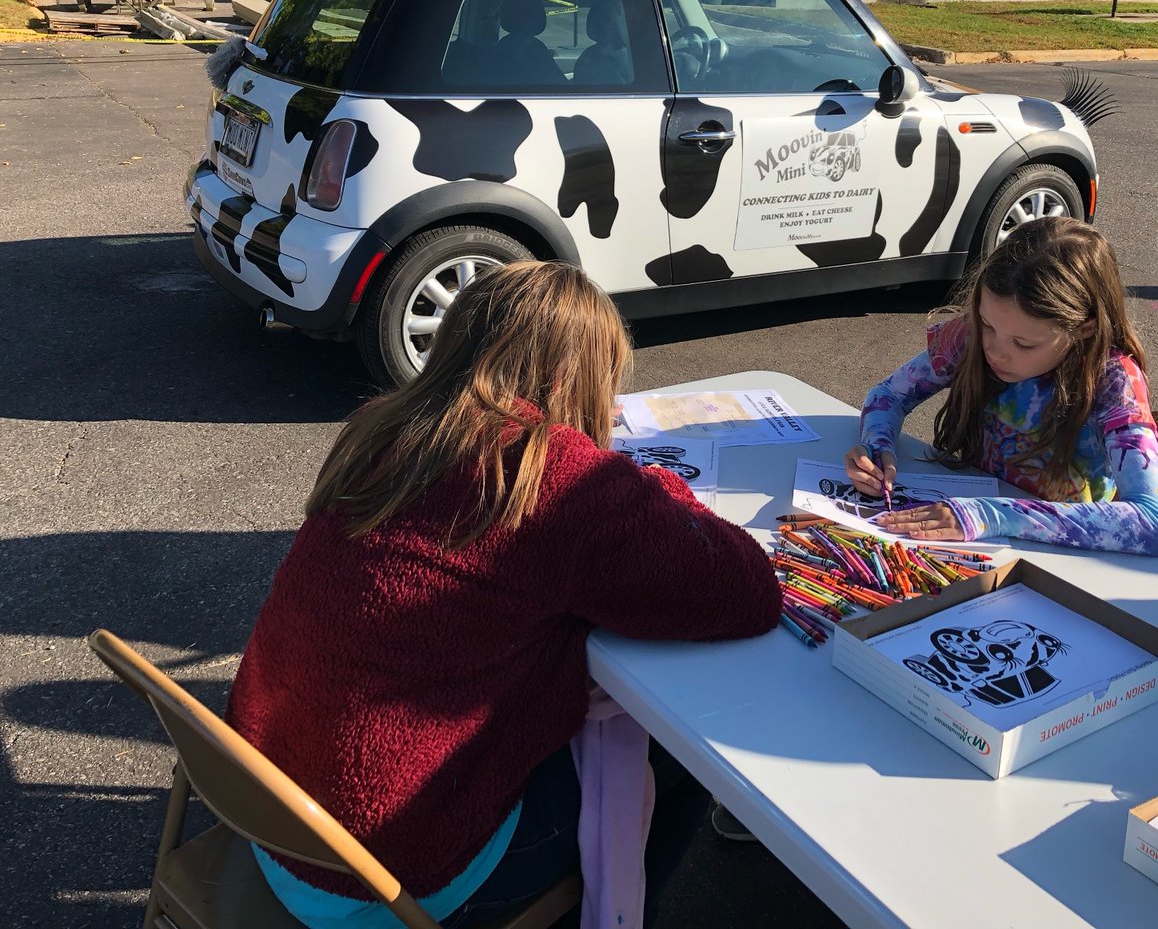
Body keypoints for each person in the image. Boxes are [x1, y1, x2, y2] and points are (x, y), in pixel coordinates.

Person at [226, 260, 782, 929]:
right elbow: (746, 589)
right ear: (575, 376)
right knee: (681, 741)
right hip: (393, 876)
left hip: (271, 816)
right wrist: (655, 487)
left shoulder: (382, 425)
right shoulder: (559, 477)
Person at [843, 217, 1158, 554]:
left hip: (1057, 561)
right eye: (986, 323)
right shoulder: (973, 335)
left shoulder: (1113, 381)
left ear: (1084, 328)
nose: (993, 350)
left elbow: (1149, 520)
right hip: (970, 542)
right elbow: (888, 395)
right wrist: (878, 448)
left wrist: (992, 515)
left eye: (1023, 344)